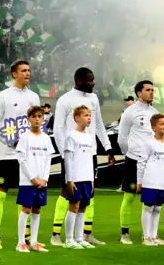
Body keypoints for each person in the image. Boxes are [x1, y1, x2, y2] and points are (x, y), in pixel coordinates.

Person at [51, 67, 115, 246]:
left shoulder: (93, 99)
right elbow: (58, 129)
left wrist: (108, 147)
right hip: (72, 154)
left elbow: (99, 124)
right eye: (90, 79)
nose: (93, 83)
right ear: (79, 80)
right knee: (67, 194)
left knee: (89, 194)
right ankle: (56, 234)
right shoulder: (65, 100)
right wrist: (65, 154)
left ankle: (85, 234)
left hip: (90, 153)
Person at [0, 60, 40, 249]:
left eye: (29, 70)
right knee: (0, 196)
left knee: (25, 196)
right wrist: (12, 140)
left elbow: (36, 126)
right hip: (7, 156)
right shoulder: (3, 96)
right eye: (23, 71)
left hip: (26, 158)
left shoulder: (34, 97)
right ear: (14, 74)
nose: (28, 73)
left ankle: (25, 238)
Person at [118, 80, 158, 244]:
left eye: (153, 90)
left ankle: (147, 234)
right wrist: (131, 153)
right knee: (129, 197)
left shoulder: (155, 112)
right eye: (148, 90)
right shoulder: (130, 112)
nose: (151, 93)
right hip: (134, 160)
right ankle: (124, 233)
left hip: (151, 162)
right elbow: (122, 138)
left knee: (150, 199)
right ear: (139, 93)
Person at [15, 105, 53, 253]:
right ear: (29, 119)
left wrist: (44, 179)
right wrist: (32, 178)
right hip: (27, 181)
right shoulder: (25, 137)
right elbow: (21, 159)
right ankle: (21, 243)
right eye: (34, 116)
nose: (37, 119)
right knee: (26, 209)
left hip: (41, 182)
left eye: (40, 116)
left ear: (43, 119)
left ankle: (34, 242)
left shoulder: (46, 138)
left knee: (37, 210)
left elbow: (48, 160)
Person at [137, 113, 164, 247]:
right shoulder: (148, 143)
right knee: (148, 207)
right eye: (161, 124)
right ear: (154, 127)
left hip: (162, 182)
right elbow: (141, 162)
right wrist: (139, 181)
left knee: (157, 209)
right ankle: (146, 237)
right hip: (150, 181)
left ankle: (154, 236)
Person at [64, 105, 96, 249]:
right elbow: (68, 159)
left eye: (90, 115)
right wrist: (69, 179)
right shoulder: (71, 136)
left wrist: (92, 180)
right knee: (74, 206)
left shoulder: (89, 137)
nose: (88, 118)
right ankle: (69, 239)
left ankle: (79, 238)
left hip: (87, 178)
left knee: (83, 207)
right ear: (77, 118)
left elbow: (89, 159)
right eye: (85, 115)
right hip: (75, 178)